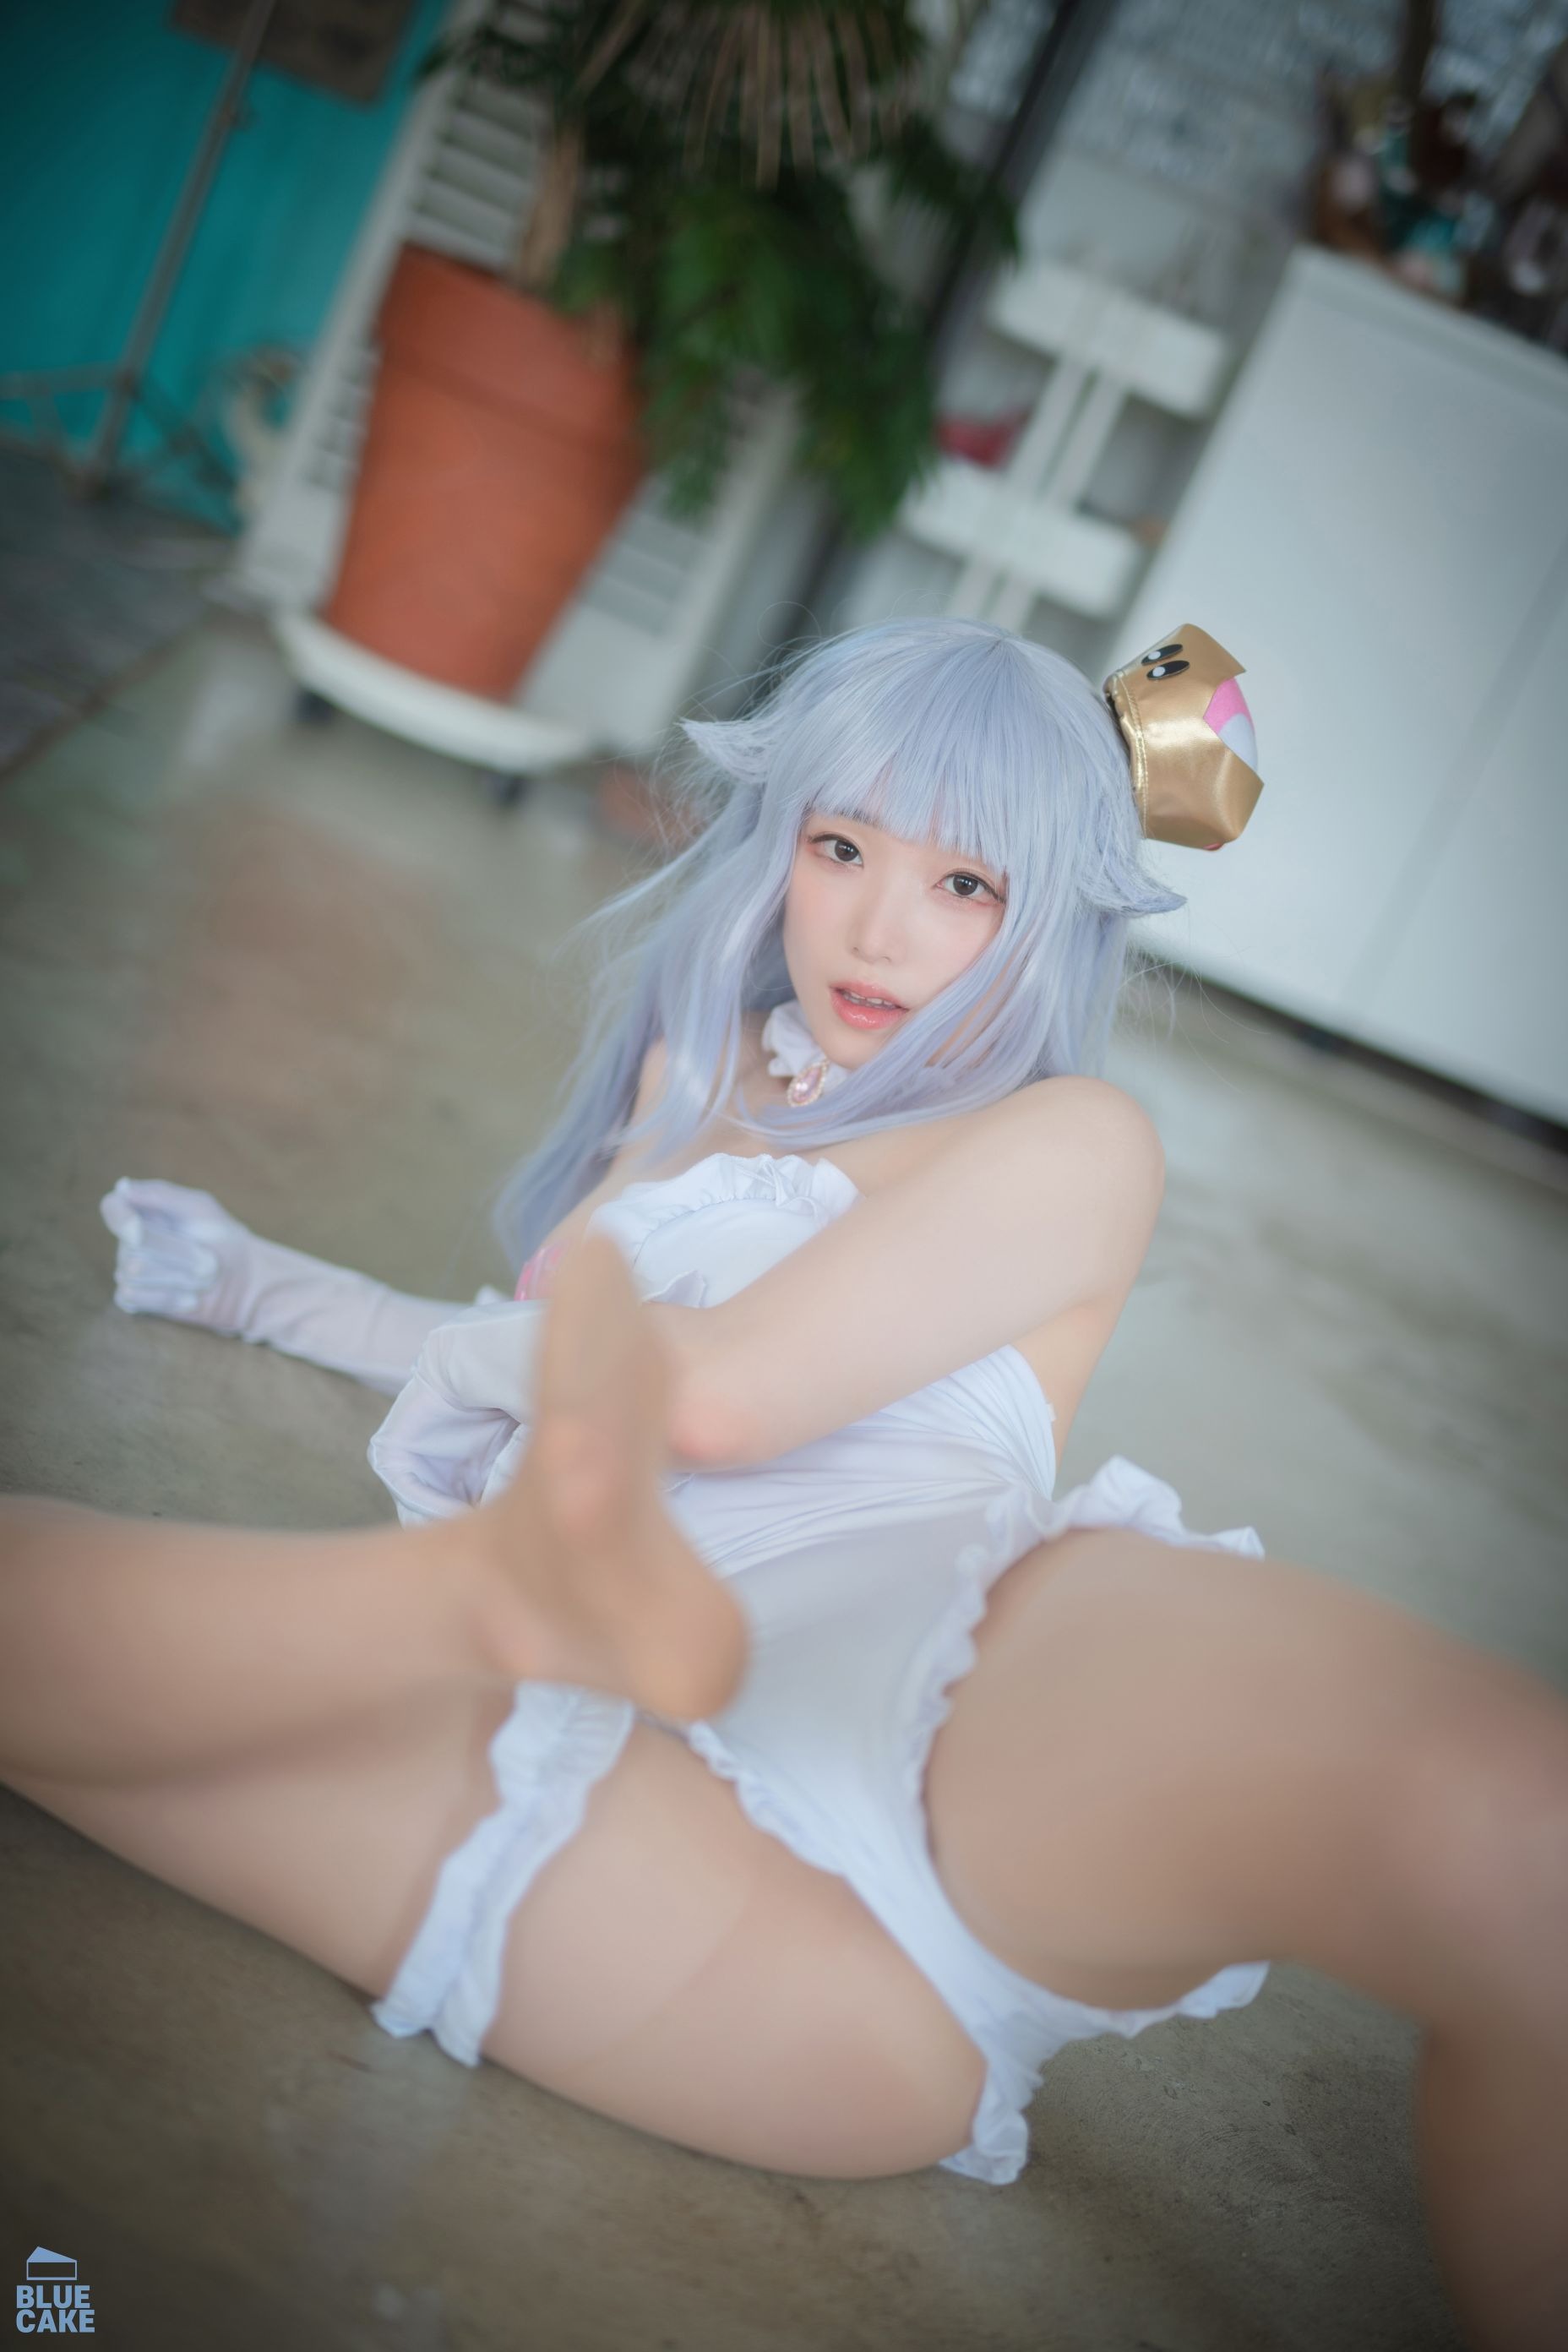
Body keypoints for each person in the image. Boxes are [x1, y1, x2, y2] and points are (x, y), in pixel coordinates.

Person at [5, 618, 1565, 2352]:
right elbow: (533, 1351)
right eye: (841, 848)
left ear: (1050, 916)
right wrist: (264, 1288)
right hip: (700, 1872)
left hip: (963, 1703)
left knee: (1524, 1841)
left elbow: (713, 1395)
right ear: (781, 848)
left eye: (965, 884)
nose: (879, 929)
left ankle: (500, 1587)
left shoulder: (1068, 1140)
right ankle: (503, 1594)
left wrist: (586, 1299)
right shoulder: (701, 1077)